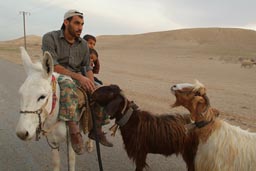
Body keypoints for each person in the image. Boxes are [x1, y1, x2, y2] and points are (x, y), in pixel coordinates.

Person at [41, 9, 113, 155]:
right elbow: (53, 65)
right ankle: (74, 130)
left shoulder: (84, 45)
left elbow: (87, 67)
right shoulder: (50, 38)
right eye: (76, 23)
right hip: (55, 75)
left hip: (77, 76)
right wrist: (79, 77)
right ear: (66, 22)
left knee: (101, 90)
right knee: (67, 83)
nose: (80, 27)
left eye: (82, 24)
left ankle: (96, 129)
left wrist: (92, 84)